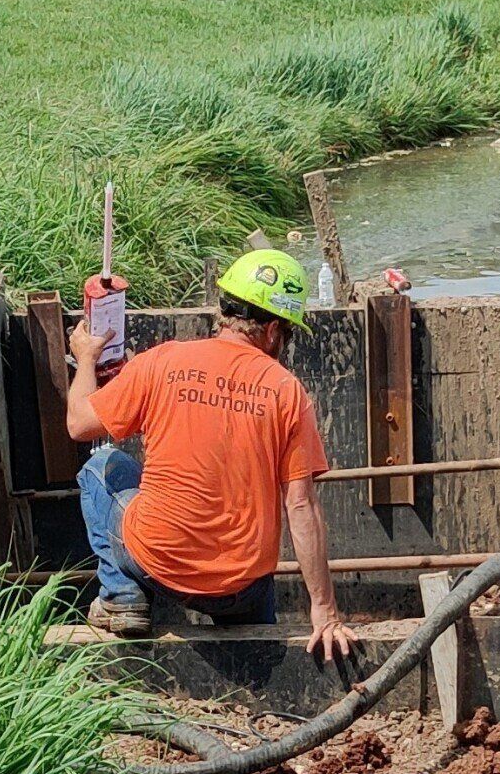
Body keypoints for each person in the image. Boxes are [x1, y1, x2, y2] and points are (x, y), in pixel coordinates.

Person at [65, 248, 357, 660]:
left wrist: (86, 360)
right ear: (273, 330)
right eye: (287, 334)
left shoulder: (163, 362)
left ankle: (122, 593)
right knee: (252, 592)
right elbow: (301, 505)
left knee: (102, 466)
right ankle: (257, 644)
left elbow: (78, 423)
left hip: (160, 566)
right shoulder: (286, 391)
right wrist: (324, 611)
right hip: (241, 589)